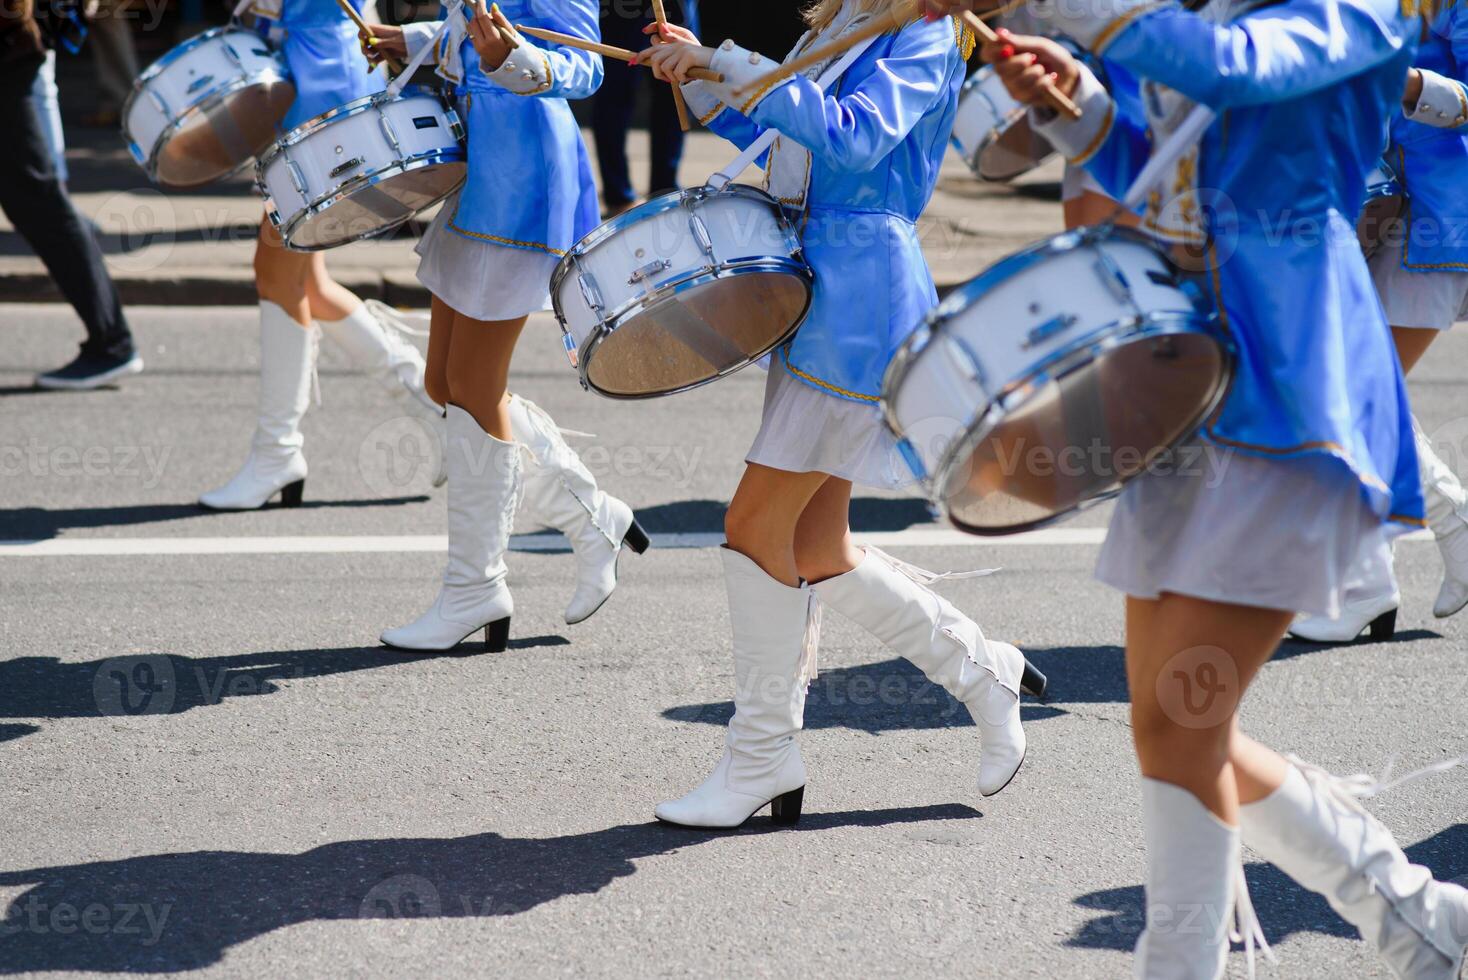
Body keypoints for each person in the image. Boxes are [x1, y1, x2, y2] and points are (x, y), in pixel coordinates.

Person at [917, 0, 1468, 973]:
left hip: (1291, 374)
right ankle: (1419, 915)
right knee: (1171, 722)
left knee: (1181, 717)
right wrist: (1076, 108)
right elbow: (1165, 178)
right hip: (1177, 370)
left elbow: (1231, 68)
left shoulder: (1359, 7)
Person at [639, 0, 1040, 830]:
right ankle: (983, 672)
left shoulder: (924, 33)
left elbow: (856, 136)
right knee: (816, 546)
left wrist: (734, 63)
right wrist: (705, 74)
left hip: (861, 301)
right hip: (814, 289)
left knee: (755, 528)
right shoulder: (845, 22)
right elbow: (787, 146)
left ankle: (761, 759)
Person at [359, 0, 648, 650]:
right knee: (443, 382)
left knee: (473, 384)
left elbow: (585, 67)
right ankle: (591, 518)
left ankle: (475, 587)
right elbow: (470, 30)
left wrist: (512, 60)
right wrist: (409, 39)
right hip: (480, 172)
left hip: (523, 185)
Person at [199, 0, 445, 512]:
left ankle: (277, 452)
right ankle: (425, 402)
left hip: (319, 85)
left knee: (276, 273)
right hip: (302, 72)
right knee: (303, 280)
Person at [1292, 0, 1468, 640]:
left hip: (1443, 214)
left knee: (1355, 390)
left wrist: (1406, 85)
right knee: (1351, 389)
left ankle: (1387, 571)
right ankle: (1374, 580)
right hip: (1388, 205)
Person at [2, 0, 141, 390]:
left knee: (36, 198)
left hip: (13, 46)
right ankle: (111, 341)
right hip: (20, 43)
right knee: (35, 196)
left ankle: (112, 342)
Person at [591, 0, 698, 214]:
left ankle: (664, 191)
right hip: (619, 10)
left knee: (678, 80)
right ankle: (618, 194)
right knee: (614, 90)